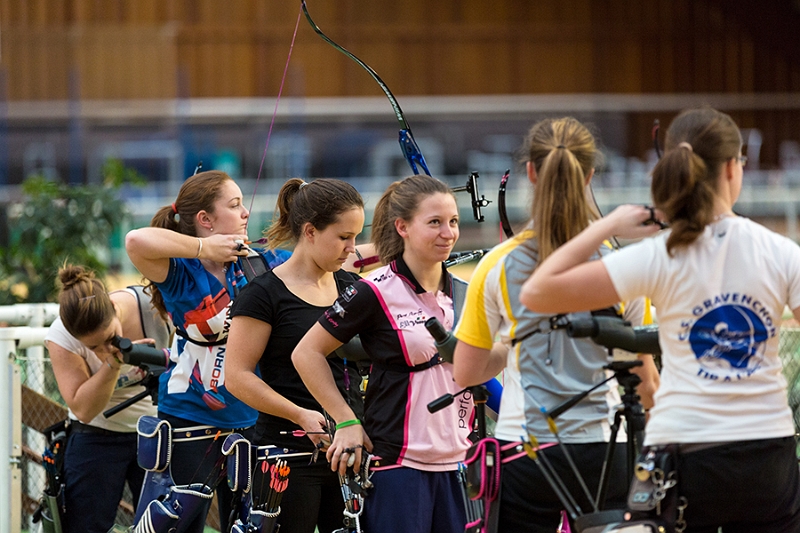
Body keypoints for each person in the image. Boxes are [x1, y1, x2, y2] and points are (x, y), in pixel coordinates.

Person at [521, 107, 800, 531]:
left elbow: (537, 291)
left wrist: (607, 225)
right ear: (732, 167)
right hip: (767, 452)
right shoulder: (781, 251)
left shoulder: (659, 253)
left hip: (686, 453)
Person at [451, 117, 660, 533]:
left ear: (531, 171)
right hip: (607, 449)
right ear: (590, 175)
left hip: (527, 451)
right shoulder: (624, 267)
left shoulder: (496, 265)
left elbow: (467, 372)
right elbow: (646, 383)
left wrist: (514, 342)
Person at [292, 174, 471, 533]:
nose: (448, 233)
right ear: (402, 227)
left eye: (453, 221)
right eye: (434, 222)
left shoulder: (467, 291)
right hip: (398, 465)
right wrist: (345, 420)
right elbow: (306, 353)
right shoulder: (374, 290)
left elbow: (479, 374)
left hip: (461, 463)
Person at [125, 170, 274, 533]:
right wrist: (205, 248)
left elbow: (331, 257)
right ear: (205, 220)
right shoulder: (180, 270)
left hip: (250, 413)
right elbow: (135, 240)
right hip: (189, 415)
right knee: (176, 521)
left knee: (251, 525)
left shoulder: (257, 262)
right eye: (234, 205)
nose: (245, 213)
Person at [225, 177, 365, 533]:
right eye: (344, 237)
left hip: (351, 453)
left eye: (356, 237)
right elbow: (237, 377)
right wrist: (299, 414)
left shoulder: (353, 288)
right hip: (287, 455)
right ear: (310, 231)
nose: (353, 249)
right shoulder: (263, 294)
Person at [45, 265, 168, 533]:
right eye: (93, 348)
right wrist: (113, 363)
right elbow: (84, 409)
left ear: (113, 306)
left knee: (163, 524)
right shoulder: (61, 336)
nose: (104, 350)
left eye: (111, 338)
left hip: (155, 431)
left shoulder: (152, 306)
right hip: (96, 434)